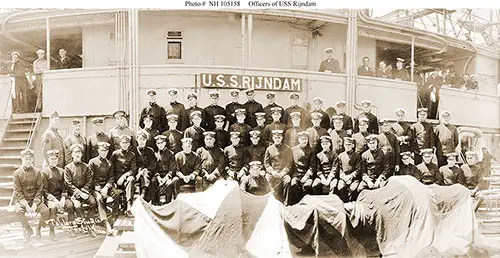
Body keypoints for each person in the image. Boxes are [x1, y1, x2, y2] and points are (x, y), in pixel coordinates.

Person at [14, 149, 49, 242]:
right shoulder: (17, 173)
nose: (28, 161)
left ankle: (38, 228)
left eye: (30, 159)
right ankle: (28, 229)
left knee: (45, 211)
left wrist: (35, 203)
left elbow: (39, 189)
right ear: (22, 159)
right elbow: (17, 191)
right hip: (23, 200)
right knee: (18, 211)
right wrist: (25, 205)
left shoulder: (37, 172)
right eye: (26, 159)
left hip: (34, 200)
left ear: (32, 160)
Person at [64, 144, 97, 236]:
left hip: (85, 192)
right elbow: (68, 183)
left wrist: (83, 191)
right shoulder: (67, 168)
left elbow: (89, 181)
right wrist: (78, 193)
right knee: (76, 206)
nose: (77, 154)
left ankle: (89, 224)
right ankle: (77, 226)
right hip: (73, 193)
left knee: (93, 202)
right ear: (72, 154)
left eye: (79, 152)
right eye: (75, 152)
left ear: (81, 154)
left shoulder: (86, 167)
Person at [87, 142, 118, 235]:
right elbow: (90, 178)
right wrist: (100, 189)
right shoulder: (92, 162)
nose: (104, 152)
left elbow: (111, 177)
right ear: (98, 151)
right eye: (102, 150)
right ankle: (106, 222)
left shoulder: (109, 163)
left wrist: (106, 187)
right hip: (95, 188)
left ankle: (114, 217)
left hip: (106, 186)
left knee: (116, 194)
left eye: (106, 151)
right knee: (99, 198)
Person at [41, 150, 70, 241]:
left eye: (55, 159)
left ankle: (72, 228)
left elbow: (65, 187)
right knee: (53, 208)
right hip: (49, 197)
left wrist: (63, 197)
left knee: (70, 205)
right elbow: (44, 190)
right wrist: (54, 199)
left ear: (58, 160)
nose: (54, 161)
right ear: (48, 160)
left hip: (61, 197)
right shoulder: (44, 172)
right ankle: (52, 231)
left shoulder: (62, 171)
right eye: (52, 159)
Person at [286, 131, 317, 205]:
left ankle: (307, 204)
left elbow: (312, 166)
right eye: (302, 139)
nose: (304, 141)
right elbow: (290, 164)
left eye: (306, 139)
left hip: (307, 175)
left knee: (307, 185)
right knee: (294, 185)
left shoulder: (311, 150)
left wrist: (306, 176)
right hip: (296, 174)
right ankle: (297, 204)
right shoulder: (293, 149)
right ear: (299, 140)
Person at [110, 135, 137, 216]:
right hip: (116, 180)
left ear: (129, 144)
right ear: (120, 144)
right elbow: (111, 168)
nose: (125, 144)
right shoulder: (115, 154)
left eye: (127, 143)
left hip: (125, 181)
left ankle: (129, 206)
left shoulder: (132, 155)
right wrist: (113, 181)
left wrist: (124, 176)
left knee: (131, 179)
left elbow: (133, 169)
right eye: (123, 142)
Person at [264, 130, 293, 203]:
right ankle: (269, 201)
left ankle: (285, 202)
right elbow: (266, 163)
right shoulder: (269, 149)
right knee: (267, 179)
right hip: (273, 172)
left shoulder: (287, 148)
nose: (277, 139)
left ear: (282, 138)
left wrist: (283, 172)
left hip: (283, 172)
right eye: (275, 138)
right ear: (273, 138)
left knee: (287, 180)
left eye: (279, 137)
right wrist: (272, 172)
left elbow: (289, 163)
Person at [334, 137, 363, 202]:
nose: (347, 146)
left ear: (352, 145)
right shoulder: (340, 155)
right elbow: (339, 168)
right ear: (344, 145)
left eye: (349, 145)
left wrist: (351, 176)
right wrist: (344, 177)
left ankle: (352, 203)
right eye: (346, 145)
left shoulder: (357, 155)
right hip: (344, 177)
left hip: (354, 178)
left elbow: (358, 169)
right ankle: (344, 203)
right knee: (340, 187)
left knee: (353, 188)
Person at [151, 135, 177, 205]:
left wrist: (166, 178)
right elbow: (154, 167)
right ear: (156, 144)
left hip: (167, 176)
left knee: (169, 183)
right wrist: (158, 177)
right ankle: (155, 203)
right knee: (153, 181)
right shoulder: (155, 154)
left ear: (165, 143)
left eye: (161, 143)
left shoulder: (171, 154)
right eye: (158, 143)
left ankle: (168, 203)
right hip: (158, 176)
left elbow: (172, 168)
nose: (160, 145)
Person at [135, 130, 157, 201]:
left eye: (143, 139)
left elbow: (153, 164)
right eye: (140, 139)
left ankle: (143, 195)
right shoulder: (133, 151)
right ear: (137, 140)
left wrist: (145, 170)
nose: (142, 141)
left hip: (148, 172)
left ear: (146, 140)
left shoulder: (150, 151)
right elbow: (133, 164)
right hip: (137, 173)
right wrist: (139, 171)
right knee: (142, 175)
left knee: (145, 175)